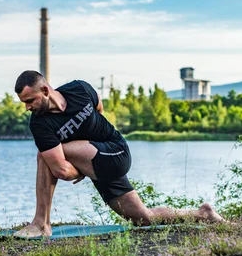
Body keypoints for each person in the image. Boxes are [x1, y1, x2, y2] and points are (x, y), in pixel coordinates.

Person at [14, 70, 225, 238]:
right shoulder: (40, 124)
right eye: (24, 102)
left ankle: (41, 223)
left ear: (45, 90)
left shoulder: (79, 89)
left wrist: (83, 160)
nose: (27, 107)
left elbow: (99, 109)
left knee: (44, 156)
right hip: (94, 161)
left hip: (115, 150)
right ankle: (203, 214)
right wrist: (85, 162)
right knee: (144, 218)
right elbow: (62, 171)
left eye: (30, 100)